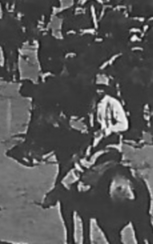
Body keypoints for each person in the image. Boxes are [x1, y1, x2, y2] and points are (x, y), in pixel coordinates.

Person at [39, 73, 129, 207]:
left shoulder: (113, 103)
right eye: (97, 88)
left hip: (110, 145)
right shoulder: (93, 103)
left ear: (106, 89)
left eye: (102, 88)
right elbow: (90, 122)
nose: (99, 91)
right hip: (94, 143)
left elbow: (124, 125)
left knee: (81, 166)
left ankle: (59, 192)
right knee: (74, 158)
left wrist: (108, 130)